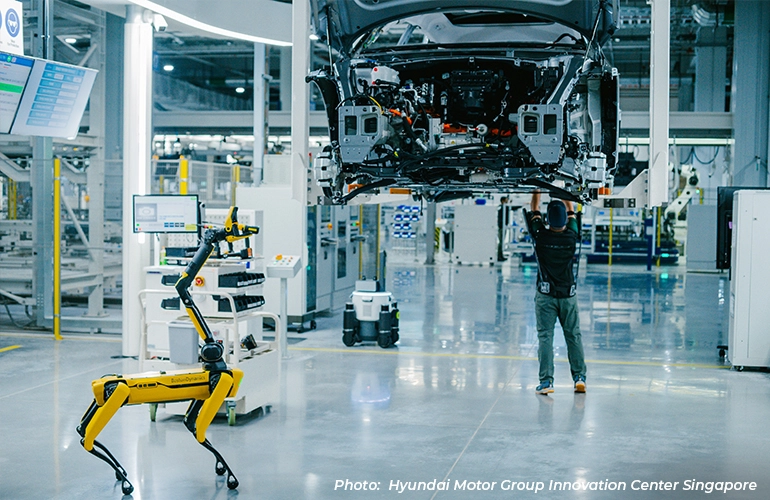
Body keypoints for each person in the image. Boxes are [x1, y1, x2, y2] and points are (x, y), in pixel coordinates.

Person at [526, 190, 586, 395]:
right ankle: (579, 377)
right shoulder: (571, 236)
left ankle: (546, 382)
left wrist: (536, 191)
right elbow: (571, 211)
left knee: (545, 337)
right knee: (573, 335)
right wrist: (563, 191)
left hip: (546, 296)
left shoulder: (540, 236)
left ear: (547, 219)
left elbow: (534, 210)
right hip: (568, 296)